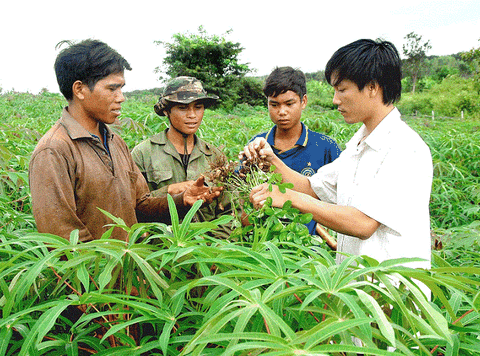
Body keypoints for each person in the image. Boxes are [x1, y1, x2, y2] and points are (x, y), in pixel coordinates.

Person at [243, 39, 433, 270]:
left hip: (392, 289)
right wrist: (270, 159)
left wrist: (290, 198)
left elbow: (363, 223)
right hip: (356, 284)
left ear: (372, 87)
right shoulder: (358, 145)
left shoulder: (404, 147)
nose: (335, 100)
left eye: (342, 90)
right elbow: (314, 188)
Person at [29, 40, 221, 242]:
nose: (121, 98)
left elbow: (141, 206)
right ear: (79, 90)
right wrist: (105, 271)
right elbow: (63, 236)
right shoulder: (54, 150)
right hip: (99, 271)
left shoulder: (115, 142)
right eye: (112, 89)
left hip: (131, 267)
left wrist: (182, 200)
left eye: (121, 88)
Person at [132, 76, 233, 238]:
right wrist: (170, 192)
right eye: (183, 108)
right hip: (161, 250)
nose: (192, 115)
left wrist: (215, 248)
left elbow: (229, 212)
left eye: (198, 107)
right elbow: (133, 207)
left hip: (207, 251)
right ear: (166, 110)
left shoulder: (215, 156)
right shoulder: (143, 153)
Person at [248, 66, 341, 235]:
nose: (281, 112)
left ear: (303, 101)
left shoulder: (326, 147)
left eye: (289, 104)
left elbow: (340, 202)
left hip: (309, 247)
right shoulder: (257, 146)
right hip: (263, 244)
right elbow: (243, 207)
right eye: (274, 105)